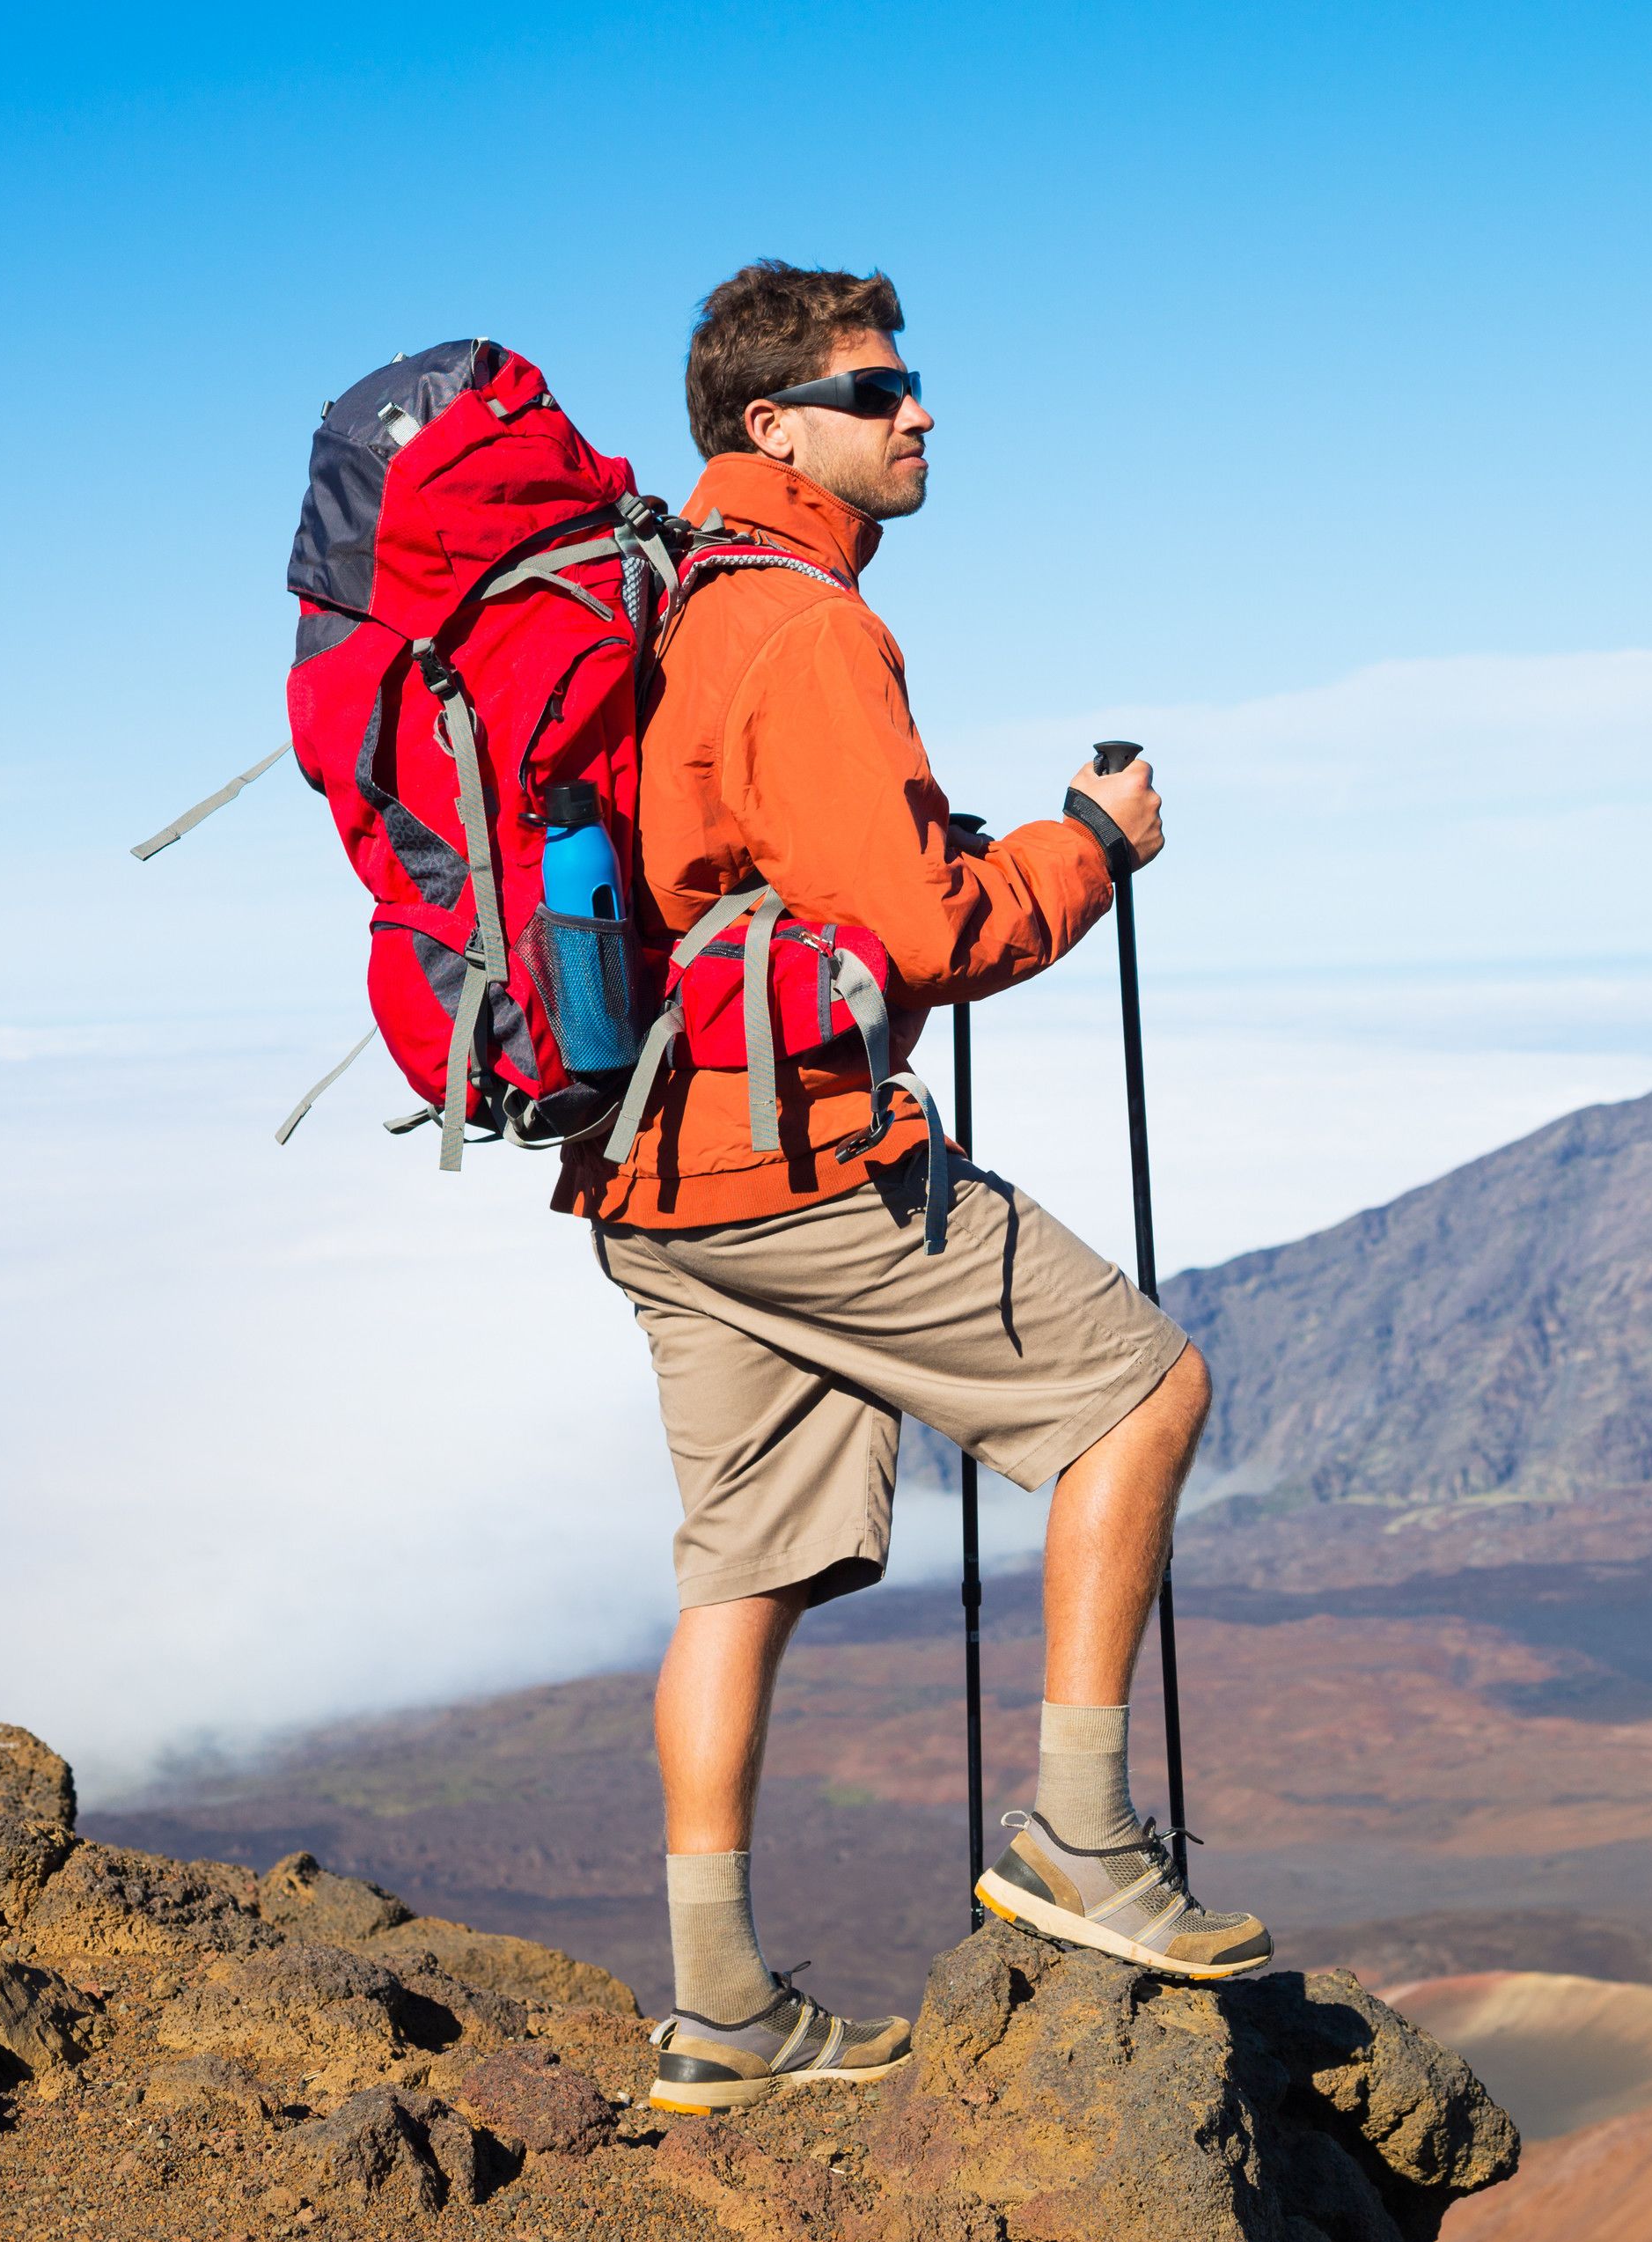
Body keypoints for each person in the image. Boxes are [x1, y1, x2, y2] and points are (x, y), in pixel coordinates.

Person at [557, 261, 1271, 2116]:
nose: (919, 411)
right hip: (790, 1163)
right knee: (1144, 1393)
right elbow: (929, 931)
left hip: (648, 1172)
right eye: (877, 390)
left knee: (744, 1566)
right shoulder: (804, 627)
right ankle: (1084, 1840)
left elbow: (762, 868)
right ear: (773, 426)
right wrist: (1091, 844)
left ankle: (721, 2005)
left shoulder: (668, 601)